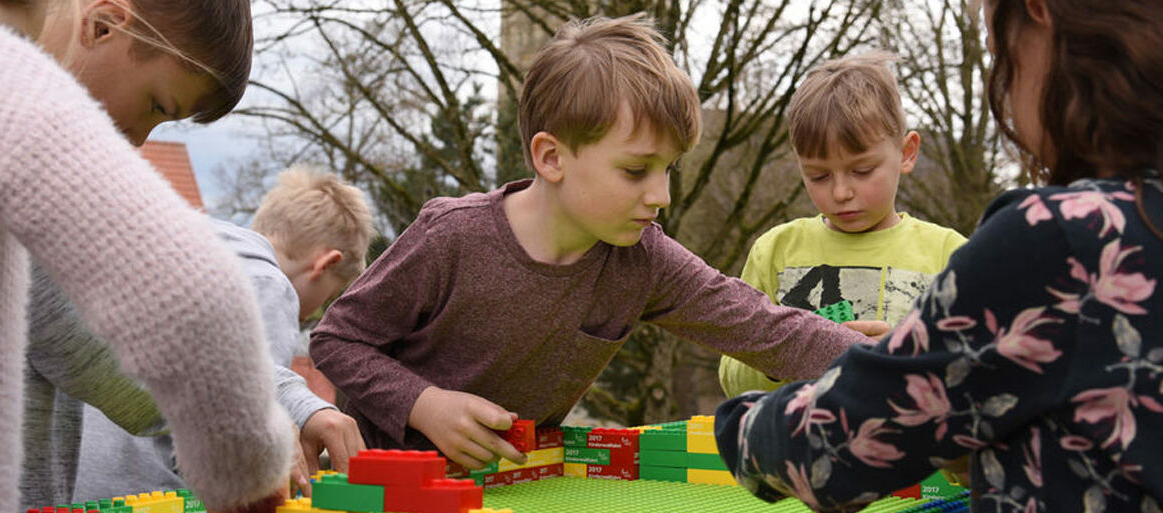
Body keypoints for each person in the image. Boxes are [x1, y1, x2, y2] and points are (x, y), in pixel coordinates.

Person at [308, 14, 885, 471]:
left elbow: (763, 325)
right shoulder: (451, 236)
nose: (660, 195)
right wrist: (424, 404)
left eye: (669, 169)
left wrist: (893, 363)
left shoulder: (644, 258)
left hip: (516, 485)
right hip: (382, 483)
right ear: (552, 157)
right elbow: (338, 339)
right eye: (636, 171)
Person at [714, 0, 1163, 513]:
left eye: (1000, 57)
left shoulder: (1057, 239)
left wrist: (740, 427)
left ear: (1039, 19)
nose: (1004, 92)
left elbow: (842, 445)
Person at [0, 3, 291, 513]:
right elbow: (201, 302)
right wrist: (249, 475)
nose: (145, 140)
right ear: (102, 23)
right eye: (158, 105)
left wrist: (290, 399)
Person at [71, 167, 373, 502]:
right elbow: (241, 420)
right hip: (152, 493)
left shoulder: (178, 251)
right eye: (328, 297)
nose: (312, 314)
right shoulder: (268, 283)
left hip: (78, 481)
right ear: (325, 264)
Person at [717, 52, 966, 397]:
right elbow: (731, 375)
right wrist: (789, 354)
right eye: (818, 175)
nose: (841, 192)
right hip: (796, 446)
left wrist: (906, 358)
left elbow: (984, 367)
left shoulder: (950, 254)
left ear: (907, 152)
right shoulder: (775, 250)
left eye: (862, 171)